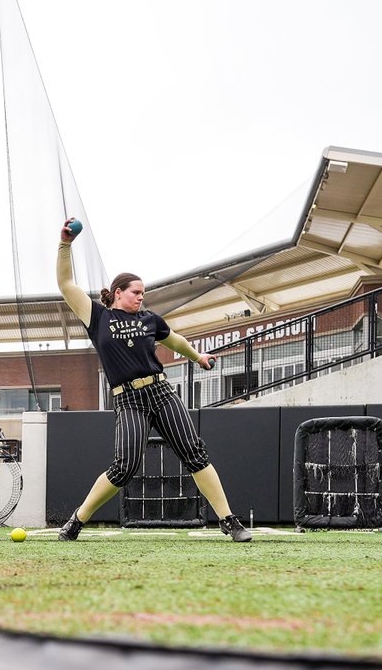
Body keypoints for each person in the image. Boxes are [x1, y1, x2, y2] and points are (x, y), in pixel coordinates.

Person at [56, 218, 252, 542]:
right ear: (118, 293)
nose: (140, 298)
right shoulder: (98, 317)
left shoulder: (150, 320)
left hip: (160, 393)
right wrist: (65, 245)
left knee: (194, 453)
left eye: (143, 294)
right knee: (124, 467)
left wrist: (198, 357)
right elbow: (65, 285)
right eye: (135, 293)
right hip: (128, 400)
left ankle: (229, 521)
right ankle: (77, 520)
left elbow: (174, 340)